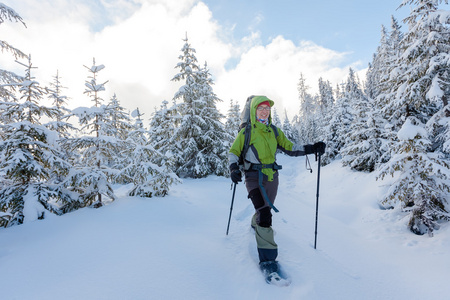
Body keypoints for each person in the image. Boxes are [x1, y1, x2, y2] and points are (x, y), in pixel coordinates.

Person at [228, 95, 325, 274]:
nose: (265, 111)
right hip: (252, 177)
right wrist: (234, 167)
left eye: (267, 108)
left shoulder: (274, 131)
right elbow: (234, 151)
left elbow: (290, 147)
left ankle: (255, 221)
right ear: (254, 111)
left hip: (272, 177)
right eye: (261, 108)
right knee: (265, 214)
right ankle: (268, 262)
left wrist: (311, 148)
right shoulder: (246, 132)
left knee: (264, 209)